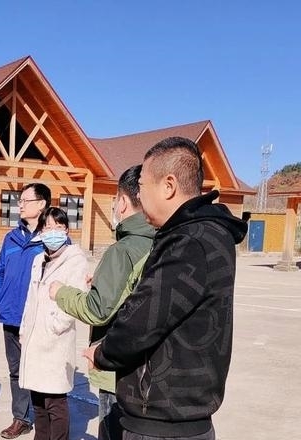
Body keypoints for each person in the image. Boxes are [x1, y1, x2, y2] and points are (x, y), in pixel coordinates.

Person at [85, 137, 247, 440]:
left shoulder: (189, 241)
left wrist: (102, 352)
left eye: (143, 186)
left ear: (168, 185)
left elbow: (143, 320)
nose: (139, 197)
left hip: (162, 423)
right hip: (179, 417)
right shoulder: (205, 234)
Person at [49, 165, 154, 440]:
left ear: (122, 201)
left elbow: (97, 309)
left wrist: (61, 292)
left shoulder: (122, 250)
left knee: (112, 428)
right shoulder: (163, 242)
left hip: (118, 368)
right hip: (150, 369)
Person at [19, 207, 90, 440]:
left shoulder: (75, 260)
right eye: (47, 227)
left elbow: (76, 298)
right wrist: (24, 328)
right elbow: (31, 297)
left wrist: (55, 325)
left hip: (55, 341)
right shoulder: (39, 259)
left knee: (55, 402)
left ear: (66, 230)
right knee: (38, 401)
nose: (52, 232)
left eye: (58, 227)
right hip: (34, 338)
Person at [0, 183, 51, 439]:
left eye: (25, 200)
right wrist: (0, 299)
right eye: (20, 200)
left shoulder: (53, 237)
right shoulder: (11, 238)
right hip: (11, 316)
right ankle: (21, 418)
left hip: (38, 320)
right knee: (16, 370)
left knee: (40, 369)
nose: (20, 205)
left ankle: (45, 419)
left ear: (41, 204)